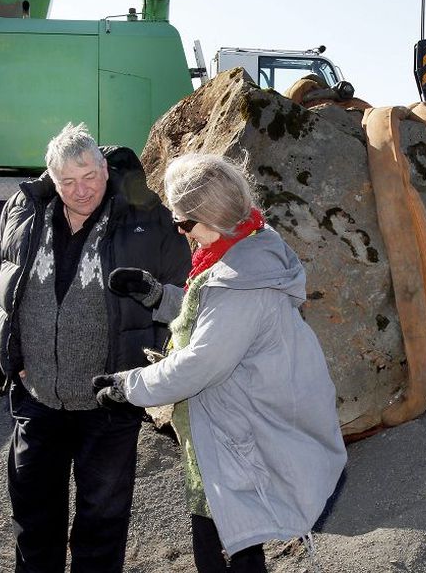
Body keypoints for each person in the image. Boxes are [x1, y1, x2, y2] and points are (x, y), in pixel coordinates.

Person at [94, 153, 347, 572]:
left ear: (209, 214)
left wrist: (128, 386)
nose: (181, 232)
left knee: (228, 553)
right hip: (224, 431)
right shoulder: (240, 253)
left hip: (234, 440)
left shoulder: (241, 280)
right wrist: (159, 297)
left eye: (184, 223)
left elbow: (200, 362)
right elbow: (212, 320)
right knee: (226, 546)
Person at [0, 122, 191, 572]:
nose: (81, 191)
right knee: (34, 523)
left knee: (101, 525)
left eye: (90, 178)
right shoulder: (23, 209)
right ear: (51, 178)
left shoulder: (147, 215)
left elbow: (183, 295)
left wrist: (140, 363)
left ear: (104, 167)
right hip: (36, 398)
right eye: (68, 182)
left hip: (109, 403)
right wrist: (12, 357)